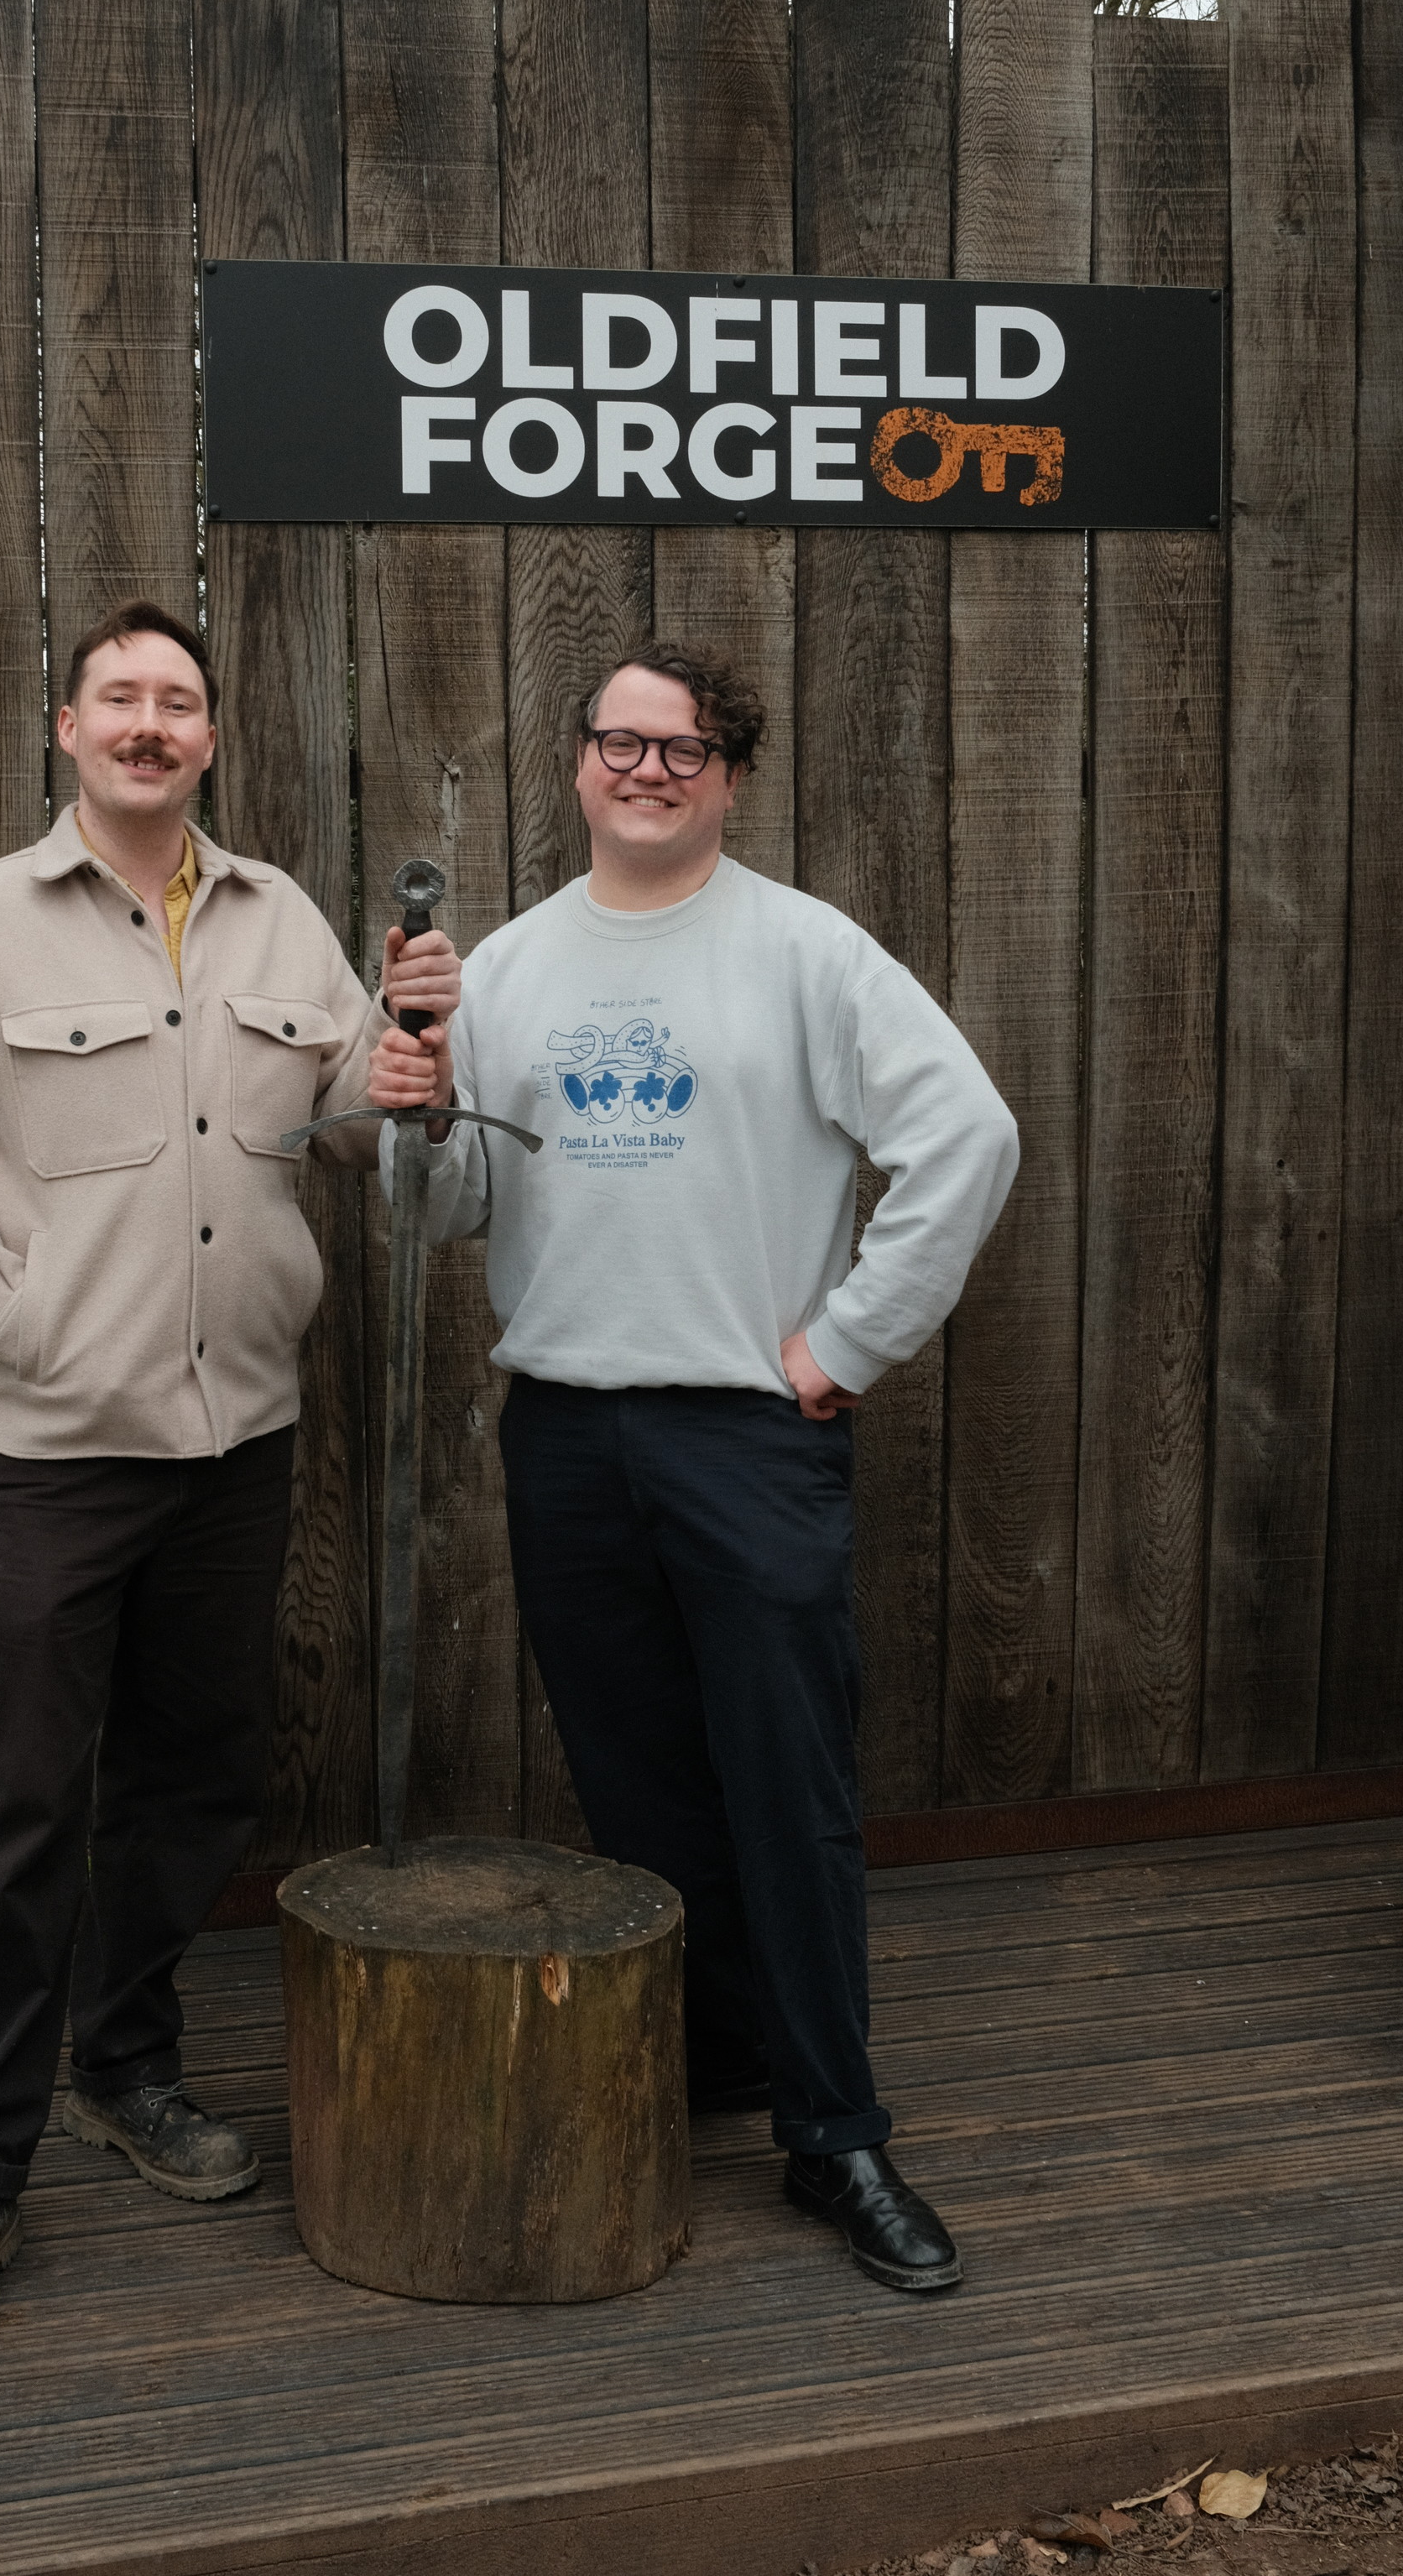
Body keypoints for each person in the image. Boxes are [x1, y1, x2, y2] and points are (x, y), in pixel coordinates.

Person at [0, 602, 457, 2362]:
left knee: (191, 1783)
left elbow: (347, 1114)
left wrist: (405, 1063)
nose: (151, 723)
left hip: (237, 1443)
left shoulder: (280, 916)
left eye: (178, 701)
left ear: (207, 737)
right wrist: (21, 1322)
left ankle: (127, 2068)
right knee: (13, 1818)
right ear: (68, 727)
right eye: (122, 697)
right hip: (46, 1453)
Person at [368, 638, 1017, 2293]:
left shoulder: (804, 954)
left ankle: (838, 2135)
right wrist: (417, 1112)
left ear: (731, 775)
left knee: (786, 1789)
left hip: (748, 1431)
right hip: (569, 1432)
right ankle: (720, 2060)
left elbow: (969, 1138)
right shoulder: (500, 969)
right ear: (579, 763)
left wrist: (846, 1345)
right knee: (642, 1783)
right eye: (619, 742)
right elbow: (440, 1218)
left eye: (684, 748)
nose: (645, 770)